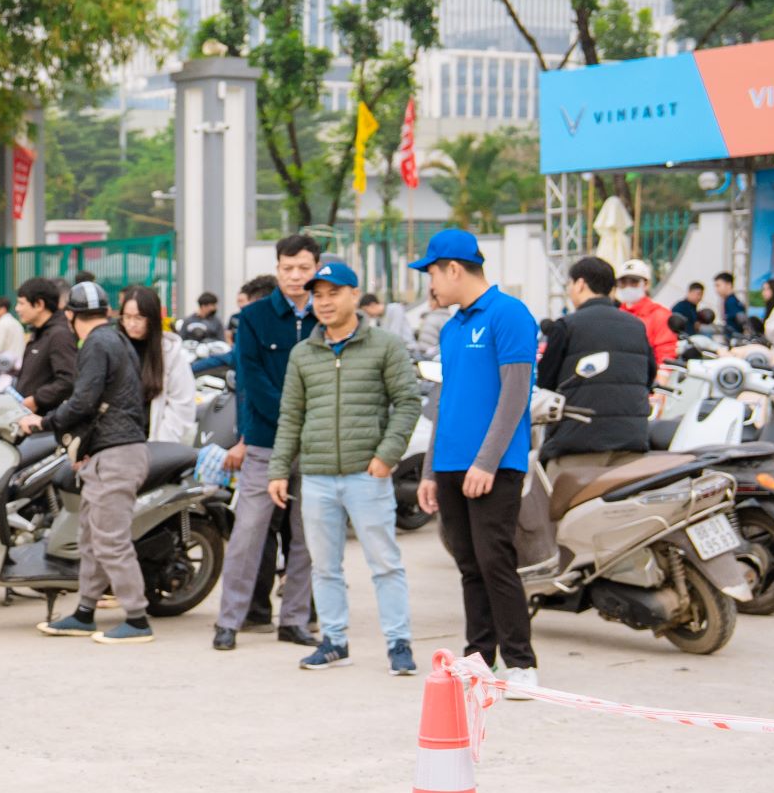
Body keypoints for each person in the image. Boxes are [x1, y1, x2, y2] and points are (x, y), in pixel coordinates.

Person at [266, 261, 421, 675]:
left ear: (355, 295)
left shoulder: (385, 345)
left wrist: (386, 456)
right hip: (316, 476)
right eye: (318, 295)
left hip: (365, 475)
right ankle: (334, 641)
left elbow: (408, 402)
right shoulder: (304, 353)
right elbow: (291, 415)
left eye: (334, 292)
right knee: (324, 565)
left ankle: (398, 643)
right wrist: (279, 469)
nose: (325, 302)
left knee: (384, 563)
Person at [411, 229, 539, 696]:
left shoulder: (510, 315)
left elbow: (515, 394)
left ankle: (521, 664)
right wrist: (430, 469)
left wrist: (485, 462)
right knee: (468, 563)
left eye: (431, 274)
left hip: (493, 465)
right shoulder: (452, 327)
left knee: (495, 560)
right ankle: (479, 659)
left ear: (453, 268)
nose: (430, 286)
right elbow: (445, 400)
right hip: (450, 463)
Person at [17, 281, 153, 643]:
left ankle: (138, 619)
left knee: (110, 540)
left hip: (117, 455)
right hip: (111, 451)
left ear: (71, 315)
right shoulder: (116, 339)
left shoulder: (95, 344)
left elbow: (83, 402)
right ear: (107, 312)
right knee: (91, 537)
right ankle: (84, 612)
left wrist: (43, 422)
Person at [212, 233, 321, 652]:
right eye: (287, 268)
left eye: (304, 268)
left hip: (313, 447)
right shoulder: (254, 318)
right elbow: (252, 381)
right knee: (248, 534)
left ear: (316, 268)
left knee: (306, 536)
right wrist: (293, 421)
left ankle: (294, 619)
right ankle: (229, 620)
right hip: (263, 442)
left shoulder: (325, 316)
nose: (295, 276)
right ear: (277, 269)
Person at [537, 256, 655, 482]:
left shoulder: (566, 326)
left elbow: (545, 383)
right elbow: (648, 378)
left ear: (580, 284)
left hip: (578, 444)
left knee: (559, 513)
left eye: (569, 284)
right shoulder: (637, 326)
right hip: (631, 442)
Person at [118, 285, 196, 445]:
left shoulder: (170, 354)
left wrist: (158, 447)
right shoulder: (115, 349)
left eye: (138, 318)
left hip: (155, 446)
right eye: (126, 317)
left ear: (152, 318)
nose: (131, 324)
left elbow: (181, 406)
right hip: (118, 444)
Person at [15, 276, 78, 417]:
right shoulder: (40, 333)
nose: (17, 309)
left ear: (39, 304)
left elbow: (67, 380)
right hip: (28, 419)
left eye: (21, 303)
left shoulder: (59, 335)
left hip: (45, 425)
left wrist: (37, 400)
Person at [614, 260, 678, 365]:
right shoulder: (616, 314)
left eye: (633, 282)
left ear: (646, 284)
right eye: (623, 283)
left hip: (647, 375)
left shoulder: (660, 314)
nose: (628, 287)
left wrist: (661, 377)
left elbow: (666, 350)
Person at [410, 284, 455, 359]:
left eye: (430, 299)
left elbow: (424, 348)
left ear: (436, 301)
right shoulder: (451, 319)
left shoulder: (431, 320)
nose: (429, 303)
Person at [0, 295, 27, 374]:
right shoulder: (17, 323)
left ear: (3, 309)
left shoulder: (1, 324)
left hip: (5, 369)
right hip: (19, 368)